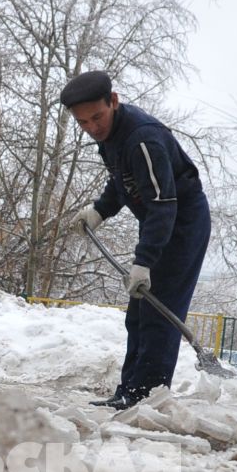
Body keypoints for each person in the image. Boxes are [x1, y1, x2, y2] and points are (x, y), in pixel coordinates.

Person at [61, 70, 210, 409]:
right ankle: (129, 391)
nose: (93, 128)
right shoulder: (111, 136)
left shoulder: (143, 140)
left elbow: (162, 205)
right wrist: (99, 211)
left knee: (159, 312)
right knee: (138, 313)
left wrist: (144, 262)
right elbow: (122, 180)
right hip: (160, 222)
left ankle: (146, 398)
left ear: (113, 101)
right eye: (83, 123)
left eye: (97, 117)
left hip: (181, 224)